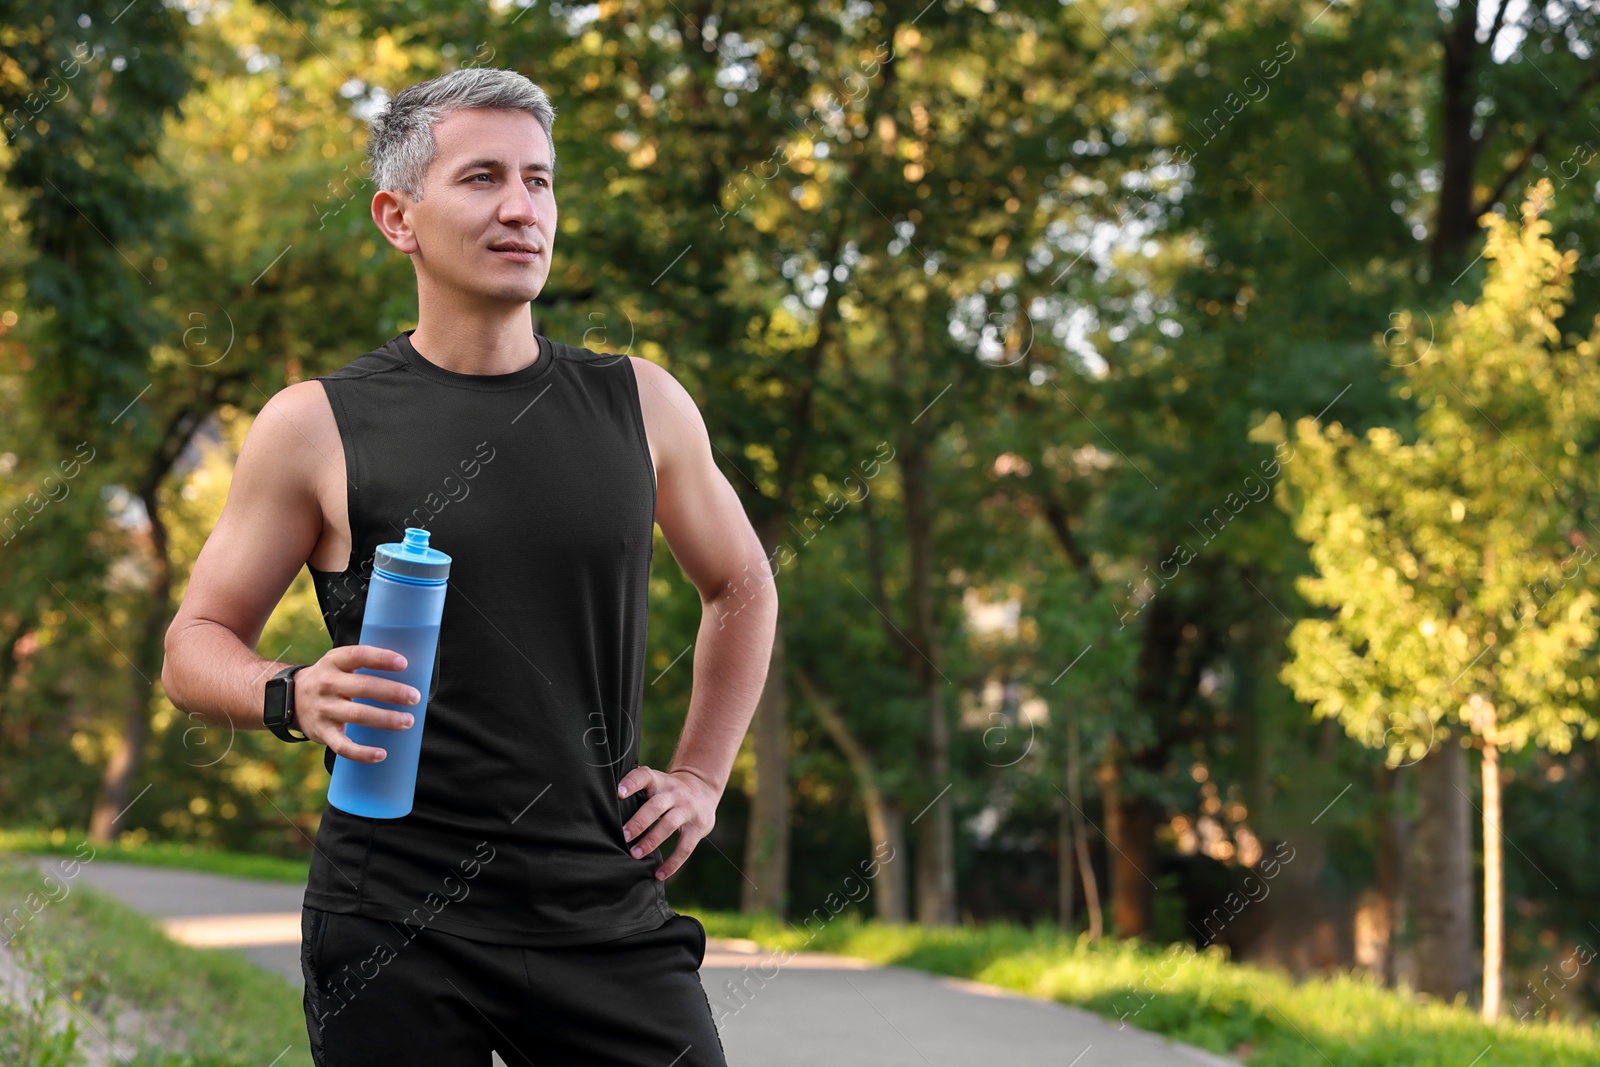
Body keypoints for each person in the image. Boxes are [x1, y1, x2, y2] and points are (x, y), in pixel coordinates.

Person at [161, 66, 777, 1067]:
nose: (520, 208)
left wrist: (703, 774)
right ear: (396, 216)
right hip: (391, 911)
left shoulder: (642, 405)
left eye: (538, 181)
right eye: (482, 177)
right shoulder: (315, 425)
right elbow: (194, 643)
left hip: (600, 901)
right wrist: (290, 691)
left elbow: (741, 583)